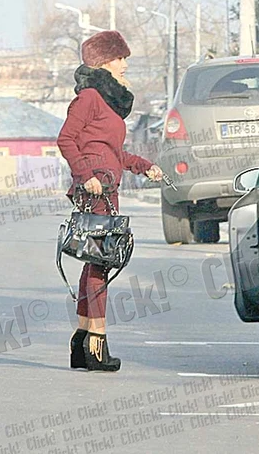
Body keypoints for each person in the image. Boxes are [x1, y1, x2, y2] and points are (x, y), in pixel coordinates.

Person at [56, 30, 163, 372]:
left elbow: (113, 152)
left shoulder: (106, 103)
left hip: (107, 186)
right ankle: (97, 346)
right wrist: (86, 175)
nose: (125, 65)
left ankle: (82, 341)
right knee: (101, 262)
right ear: (105, 61)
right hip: (95, 190)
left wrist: (144, 167)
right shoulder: (89, 97)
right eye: (120, 58)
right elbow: (66, 140)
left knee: (94, 262)